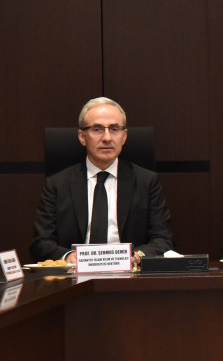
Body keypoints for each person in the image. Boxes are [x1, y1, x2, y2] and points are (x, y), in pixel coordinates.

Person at [31, 97, 173, 265]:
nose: (107, 137)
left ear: (124, 136)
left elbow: (163, 239)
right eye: (97, 129)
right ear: (82, 136)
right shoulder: (57, 184)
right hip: (75, 276)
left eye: (114, 129)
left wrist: (137, 256)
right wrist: (68, 256)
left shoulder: (146, 182)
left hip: (129, 275)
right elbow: (41, 243)